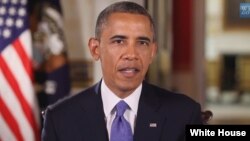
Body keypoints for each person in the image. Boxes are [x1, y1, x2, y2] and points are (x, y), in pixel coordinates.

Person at [41, 1, 203, 141]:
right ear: (95, 49)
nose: (131, 54)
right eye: (119, 41)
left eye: (142, 43)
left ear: (153, 52)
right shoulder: (60, 118)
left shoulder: (184, 113)